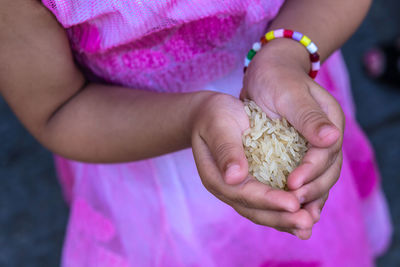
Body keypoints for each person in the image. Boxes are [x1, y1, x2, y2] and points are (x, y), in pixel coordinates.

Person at [0, 0, 392, 266]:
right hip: (137, 136)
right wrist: (192, 119)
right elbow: (59, 108)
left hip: (287, 89)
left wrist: (287, 54)